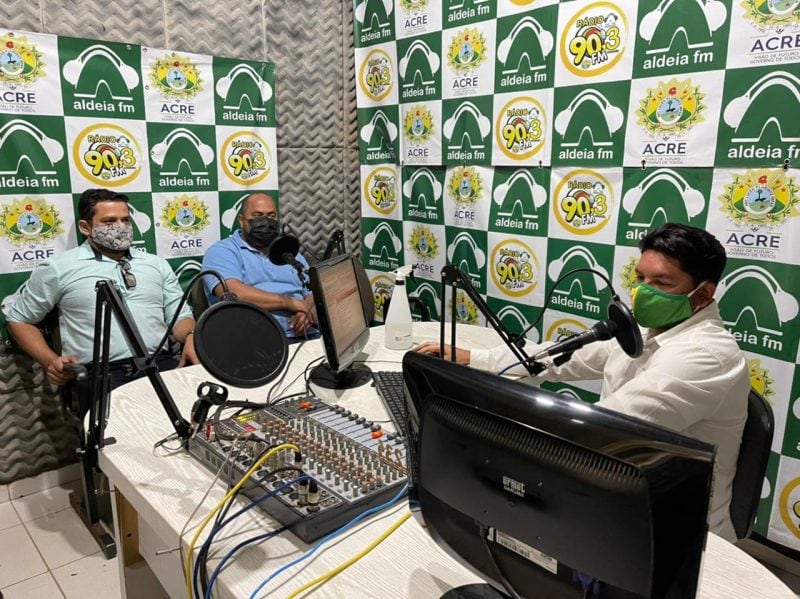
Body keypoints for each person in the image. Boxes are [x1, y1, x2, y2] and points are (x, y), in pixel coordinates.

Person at [415, 223, 750, 541]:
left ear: (703, 294)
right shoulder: (649, 328)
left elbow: (607, 430)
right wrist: (474, 358)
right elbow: (564, 358)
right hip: (617, 493)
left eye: (661, 283)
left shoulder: (706, 356)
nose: (643, 292)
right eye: (640, 278)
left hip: (672, 526)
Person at [8, 188, 197, 389]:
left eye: (125, 220)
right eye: (109, 221)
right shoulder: (58, 268)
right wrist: (51, 361)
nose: (120, 227)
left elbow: (180, 315)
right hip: (103, 374)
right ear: (85, 227)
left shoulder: (156, 264)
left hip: (161, 364)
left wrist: (191, 336)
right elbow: (19, 320)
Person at [201, 192, 316, 341]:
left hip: (306, 335)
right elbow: (233, 293)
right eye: (257, 215)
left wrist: (305, 310)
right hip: (252, 341)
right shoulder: (222, 251)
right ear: (241, 220)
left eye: (271, 216)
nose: (266, 221)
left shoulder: (287, 251)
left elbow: (312, 291)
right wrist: (289, 303)